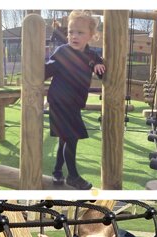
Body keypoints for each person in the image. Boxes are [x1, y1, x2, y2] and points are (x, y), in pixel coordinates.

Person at [45, 10, 106, 190]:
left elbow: (99, 66)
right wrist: (39, 70)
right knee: (71, 137)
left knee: (65, 139)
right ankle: (72, 176)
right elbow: (49, 69)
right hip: (59, 102)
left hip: (74, 104)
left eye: (80, 32)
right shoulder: (62, 51)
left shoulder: (91, 55)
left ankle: (57, 172)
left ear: (91, 36)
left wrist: (98, 65)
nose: (74, 36)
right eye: (71, 32)